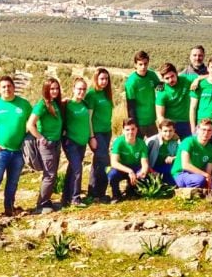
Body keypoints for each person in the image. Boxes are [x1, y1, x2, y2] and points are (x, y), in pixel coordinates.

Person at [0, 76, 32, 218]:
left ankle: (9, 207)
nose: (6, 89)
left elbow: (34, 122)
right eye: (3, 86)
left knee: (13, 182)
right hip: (0, 151)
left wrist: (28, 140)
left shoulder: (23, 104)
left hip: (18, 152)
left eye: (9, 86)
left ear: (13, 87)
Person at [27, 78, 63, 214]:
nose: (55, 91)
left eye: (57, 88)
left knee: (51, 174)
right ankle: (41, 204)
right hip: (47, 144)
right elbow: (30, 124)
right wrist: (41, 138)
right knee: (50, 174)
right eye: (52, 89)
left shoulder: (56, 103)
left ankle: (46, 200)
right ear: (46, 90)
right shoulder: (41, 105)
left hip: (56, 142)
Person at [61, 77, 96, 207]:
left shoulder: (85, 104)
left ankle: (65, 198)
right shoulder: (67, 104)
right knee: (77, 169)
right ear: (73, 89)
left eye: (84, 89)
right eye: (79, 89)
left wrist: (91, 137)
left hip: (82, 143)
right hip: (70, 142)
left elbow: (88, 122)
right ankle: (75, 199)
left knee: (72, 169)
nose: (81, 92)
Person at [85, 68, 114, 202]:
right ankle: (99, 193)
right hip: (97, 133)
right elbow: (88, 118)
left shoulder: (106, 94)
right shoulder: (92, 94)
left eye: (106, 79)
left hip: (107, 131)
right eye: (102, 79)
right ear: (96, 79)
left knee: (98, 161)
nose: (104, 81)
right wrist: (91, 137)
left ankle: (94, 192)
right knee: (104, 161)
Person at [171, 119, 212, 193]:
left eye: (209, 130)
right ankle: (184, 191)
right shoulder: (188, 141)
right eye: (203, 129)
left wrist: (208, 180)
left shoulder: (211, 149)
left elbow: (208, 172)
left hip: (197, 175)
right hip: (181, 173)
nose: (206, 133)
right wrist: (205, 175)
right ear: (197, 130)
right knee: (199, 180)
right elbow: (185, 165)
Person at [108, 118, 149, 202]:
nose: (131, 132)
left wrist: (143, 171)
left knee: (145, 176)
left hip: (135, 167)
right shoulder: (118, 142)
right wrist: (129, 171)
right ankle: (116, 195)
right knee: (112, 174)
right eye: (127, 130)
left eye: (133, 129)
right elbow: (114, 163)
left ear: (136, 130)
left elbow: (145, 163)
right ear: (123, 131)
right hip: (122, 168)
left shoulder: (141, 143)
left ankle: (132, 191)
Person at [124, 50, 160, 137]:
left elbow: (160, 87)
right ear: (135, 65)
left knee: (154, 146)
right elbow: (130, 106)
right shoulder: (131, 82)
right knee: (139, 146)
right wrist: (134, 124)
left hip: (152, 119)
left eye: (145, 64)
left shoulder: (152, 75)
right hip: (139, 122)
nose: (143, 67)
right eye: (140, 64)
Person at [155, 63, 193, 138]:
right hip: (171, 125)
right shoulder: (162, 92)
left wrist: (197, 80)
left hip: (187, 123)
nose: (171, 80)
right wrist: (168, 131)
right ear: (162, 79)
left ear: (177, 73)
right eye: (167, 78)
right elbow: (160, 116)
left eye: (172, 76)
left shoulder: (186, 80)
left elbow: (207, 77)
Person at [147, 119, 179, 185]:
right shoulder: (151, 141)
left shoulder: (175, 141)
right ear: (160, 131)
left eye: (170, 131)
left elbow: (182, 156)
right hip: (151, 168)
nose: (168, 134)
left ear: (174, 131)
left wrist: (173, 158)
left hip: (165, 168)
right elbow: (143, 158)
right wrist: (151, 171)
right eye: (165, 131)